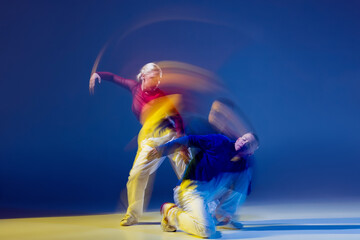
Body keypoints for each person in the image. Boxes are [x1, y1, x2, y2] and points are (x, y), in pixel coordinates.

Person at [89, 63, 189, 226]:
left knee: (186, 168)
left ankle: (203, 207)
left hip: (169, 136)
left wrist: (182, 143)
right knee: (136, 175)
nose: (156, 83)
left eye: (158, 79)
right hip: (150, 139)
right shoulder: (134, 87)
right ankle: (133, 214)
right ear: (143, 76)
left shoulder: (161, 95)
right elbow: (115, 78)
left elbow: (177, 118)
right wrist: (98, 74)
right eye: (153, 79)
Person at [147, 132, 259, 238]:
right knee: (206, 230)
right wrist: (163, 149)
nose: (244, 143)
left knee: (243, 180)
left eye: (248, 145)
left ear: (251, 153)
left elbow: (245, 190)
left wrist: (246, 167)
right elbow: (190, 139)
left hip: (208, 194)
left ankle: (223, 215)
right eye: (244, 139)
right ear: (238, 139)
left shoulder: (243, 165)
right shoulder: (220, 141)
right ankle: (171, 212)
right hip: (190, 190)